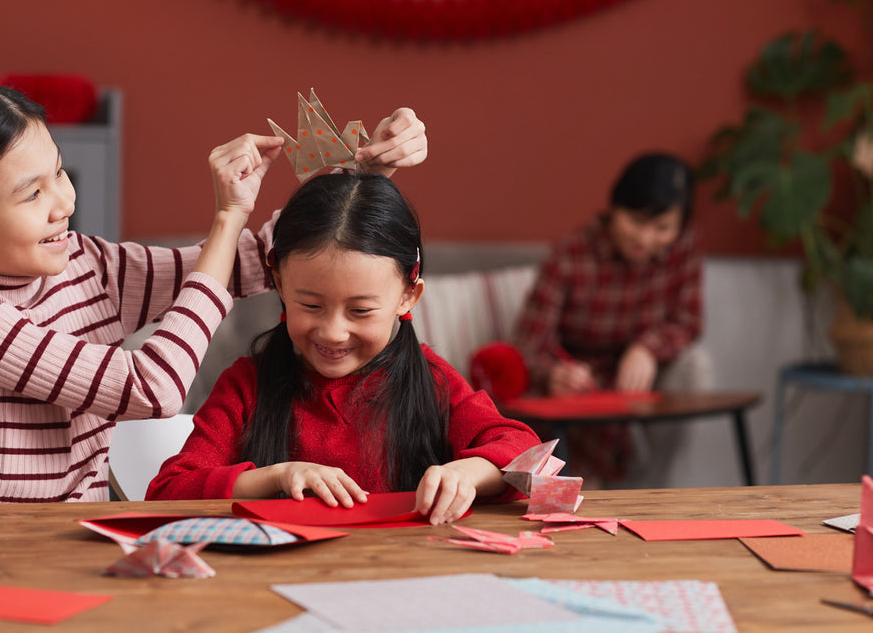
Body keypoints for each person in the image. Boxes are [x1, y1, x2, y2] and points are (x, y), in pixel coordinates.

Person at [0, 77, 428, 503]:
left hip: (74, 543)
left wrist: (361, 174)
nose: (63, 203)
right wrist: (228, 215)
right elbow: (153, 389)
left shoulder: (85, 263)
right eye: (32, 194)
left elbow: (249, 265)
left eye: (60, 174)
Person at [146, 173, 541, 525]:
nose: (333, 332)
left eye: (360, 310)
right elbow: (168, 491)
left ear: (408, 296)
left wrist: (466, 473)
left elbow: (526, 455)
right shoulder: (247, 385)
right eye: (311, 306)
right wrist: (275, 476)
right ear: (279, 283)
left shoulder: (431, 380)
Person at [510, 152, 702, 483]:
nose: (646, 239)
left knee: (696, 366)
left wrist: (646, 348)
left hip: (642, 380)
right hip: (583, 388)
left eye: (662, 228)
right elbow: (528, 344)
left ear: (681, 226)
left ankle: (658, 487)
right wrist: (554, 375)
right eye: (636, 221)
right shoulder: (569, 255)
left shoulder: (682, 251)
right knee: (585, 490)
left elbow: (688, 321)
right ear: (614, 208)